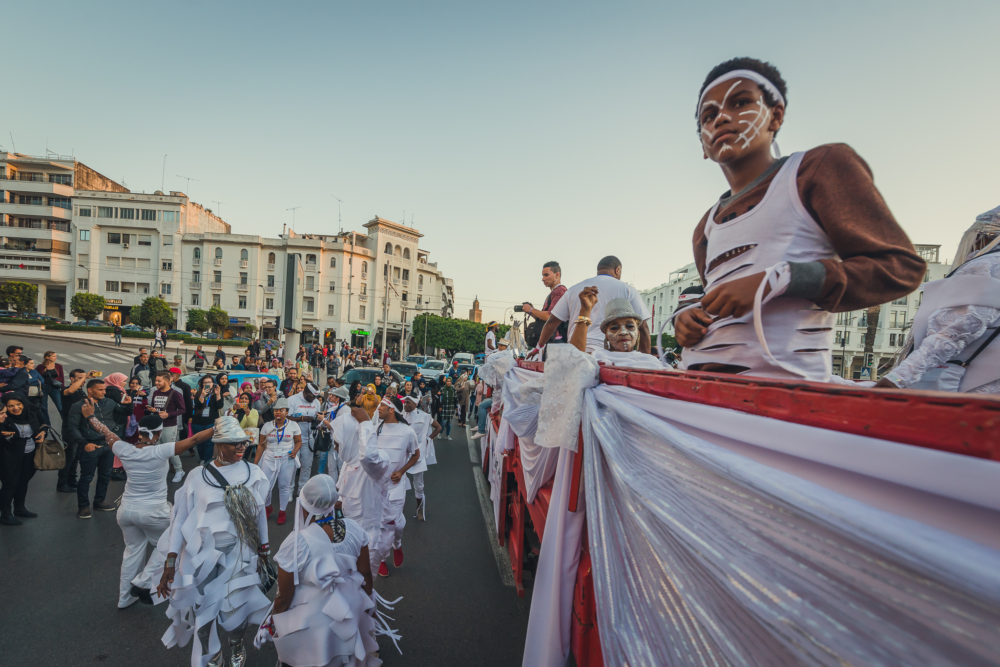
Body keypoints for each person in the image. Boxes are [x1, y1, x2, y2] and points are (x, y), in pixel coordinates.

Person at [676, 56, 924, 381]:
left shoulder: (817, 169)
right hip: (696, 393)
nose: (723, 117)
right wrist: (689, 319)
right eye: (709, 115)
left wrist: (781, 279)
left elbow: (900, 268)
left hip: (785, 400)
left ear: (775, 115)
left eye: (739, 102)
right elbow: (724, 303)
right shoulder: (705, 227)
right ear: (703, 145)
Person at [157, 417, 271, 667]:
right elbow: (180, 520)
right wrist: (171, 560)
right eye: (235, 443)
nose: (241, 447)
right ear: (220, 445)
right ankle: (212, 655)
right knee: (203, 611)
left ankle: (237, 644)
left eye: (243, 443)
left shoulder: (255, 473)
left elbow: (260, 512)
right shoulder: (197, 476)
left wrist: (264, 551)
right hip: (202, 558)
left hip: (240, 555)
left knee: (236, 611)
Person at [78, 407, 214, 608]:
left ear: (139, 432)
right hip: (154, 512)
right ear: (158, 433)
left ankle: (125, 599)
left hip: (127, 512)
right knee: (176, 542)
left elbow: (106, 432)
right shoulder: (160, 450)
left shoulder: (124, 448)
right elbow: (194, 440)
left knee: (132, 552)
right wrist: (218, 426)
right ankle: (143, 581)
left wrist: (90, 417)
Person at [257, 474, 379, 666]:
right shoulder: (354, 528)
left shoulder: (297, 543)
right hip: (349, 609)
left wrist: (273, 621)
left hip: (313, 620)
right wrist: (368, 603)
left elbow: (284, 595)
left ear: (305, 507)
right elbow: (365, 574)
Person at [879, 208, 1000, 393]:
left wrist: (896, 379)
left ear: (985, 236)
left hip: (965, 393)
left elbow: (953, 332)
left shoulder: (987, 265)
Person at [536, 256, 652, 355]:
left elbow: (552, 322)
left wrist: (538, 348)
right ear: (618, 270)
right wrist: (645, 360)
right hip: (612, 354)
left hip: (578, 351)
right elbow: (643, 327)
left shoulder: (573, 290)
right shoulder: (627, 289)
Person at [66, 378, 132, 519]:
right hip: (90, 445)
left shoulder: (109, 402)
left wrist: (128, 406)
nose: (104, 392)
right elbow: (72, 427)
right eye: (100, 390)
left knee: (105, 475)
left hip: (107, 445)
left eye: (104, 390)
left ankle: (99, 501)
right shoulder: (79, 406)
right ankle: (83, 507)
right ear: (90, 390)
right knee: (86, 477)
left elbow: (123, 413)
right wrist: (84, 443)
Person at [369, 395, 420, 577]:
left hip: (396, 485)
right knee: (382, 525)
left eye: (382, 406)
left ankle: (397, 545)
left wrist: (402, 471)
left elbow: (415, 455)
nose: (378, 408)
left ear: (392, 410)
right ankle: (381, 559)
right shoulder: (376, 430)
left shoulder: (407, 432)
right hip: (377, 486)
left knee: (396, 525)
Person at [0, 392, 47, 525]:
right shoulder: (3, 418)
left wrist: (43, 432)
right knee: (10, 484)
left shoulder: (31, 412)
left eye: (18, 404)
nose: (15, 408)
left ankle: (20, 508)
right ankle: (6, 513)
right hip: (9, 457)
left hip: (30, 453)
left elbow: (44, 424)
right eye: (11, 406)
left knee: (23, 481)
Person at [255, 397, 302, 525]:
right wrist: (255, 463)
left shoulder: (293, 425)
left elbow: (298, 441)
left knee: (284, 486)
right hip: (269, 458)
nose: (278, 413)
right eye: (276, 410)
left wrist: (295, 450)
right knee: (266, 486)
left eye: (281, 410)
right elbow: (261, 445)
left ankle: (282, 511)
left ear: (286, 412)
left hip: (287, 458)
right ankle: (268, 506)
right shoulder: (267, 426)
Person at [402, 395, 441, 522]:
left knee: (418, 485)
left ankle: (420, 511)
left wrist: (429, 439)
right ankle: (396, 512)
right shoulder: (400, 415)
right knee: (398, 482)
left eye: (408, 402)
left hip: (417, 455)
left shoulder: (425, 416)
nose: (405, 404)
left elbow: (438, 427)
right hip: (402, 454)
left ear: (415, 403)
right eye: (405, 402)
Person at [147, 371, 186, 483]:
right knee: (158, 449)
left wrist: (169, 414)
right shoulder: (155, 392)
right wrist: (154, 410)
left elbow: (183, 409)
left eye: (159, 381)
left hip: (169, 426)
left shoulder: (175, 394)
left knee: (170, 449)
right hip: (157, 425)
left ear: (167, 381)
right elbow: (157, 407)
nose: (156, 383)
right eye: (156, 380)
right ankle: (160, 471)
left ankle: (179, 470)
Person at [523, 260, 569, 346]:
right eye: (543, 276)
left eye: (546, 275)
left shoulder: (559, 291)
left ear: (557, 275)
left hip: (555, 340)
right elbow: (543, 318)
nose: (543, 279)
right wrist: (531, 311)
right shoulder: (555, 292)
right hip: (552, 339)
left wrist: (531, 309)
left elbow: (550, 316)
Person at [57, 368, 88, 493]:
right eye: (79, 377)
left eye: (83, 377)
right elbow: (71, 390)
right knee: (69, 456)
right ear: (71, 379)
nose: (82, 380)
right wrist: (84, 377)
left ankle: (72, 481)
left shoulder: (81, 392)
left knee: (76, 457)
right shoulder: (66, 390)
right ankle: (62, 483)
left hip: (80, 428)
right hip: (70, 428)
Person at [288, 382, 321, 492]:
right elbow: (287, 416)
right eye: (312, 396)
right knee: (292, 466)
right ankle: (289, 491)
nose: (314, 399)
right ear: (306, 392)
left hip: (309, 439)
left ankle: (302, 491)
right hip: (294, 439)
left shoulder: (316, 402)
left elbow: (317, 417)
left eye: (315, 397)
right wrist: (302, 418)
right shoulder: (292, 400)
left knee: (306, 466)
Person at [191, 375, 224, 462]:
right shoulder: (198, 393)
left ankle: (207, 461)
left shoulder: (216, 393)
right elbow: (198, 404)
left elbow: (220, 406)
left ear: (213, 383)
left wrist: (218, 394)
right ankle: (202, 458)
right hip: (198, 422)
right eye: (205, 382)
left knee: (209, 443)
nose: (207, 384)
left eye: (209, 382)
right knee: (199, 443)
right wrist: (202, 395)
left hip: (211, 422)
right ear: (202, 384)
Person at [438, 375, 457, 440]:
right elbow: (440, 399)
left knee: (449, 423)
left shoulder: (453, 389)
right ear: (446, 382)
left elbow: (455, 398)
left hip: (451, 408)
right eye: (447, 381)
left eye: (449, 381)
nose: (448, 382)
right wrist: (440, 406)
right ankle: (440, 433)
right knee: (443, 422)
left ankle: (448, 435)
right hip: (444, 407)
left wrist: (456, 407)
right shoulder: (442, 389)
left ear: (451, 382)